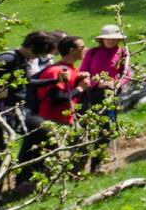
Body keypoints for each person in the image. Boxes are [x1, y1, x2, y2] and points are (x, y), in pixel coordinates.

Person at [0, 32, 54, 199]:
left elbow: (26, 82)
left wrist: (54, 81)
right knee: (0, 154)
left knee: (41, 132)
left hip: (13, 111)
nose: (38, 58)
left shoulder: (21, 61)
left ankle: (25, 179)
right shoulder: (8, 59)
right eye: (39, 53)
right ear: (32, 47)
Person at [14, 35, 90, 194]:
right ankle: (31, 189)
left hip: (58, 120)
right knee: (41, 158)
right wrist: (81, 87)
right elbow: (57, 99)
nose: (85, 50)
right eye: (82, 47)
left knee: (41, 157)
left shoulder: (69, 70)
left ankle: (37, 187)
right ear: (72, 50)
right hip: (50, 121)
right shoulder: (58, 71)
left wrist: (77, 82)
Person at [79, 24, 130, 172]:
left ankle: (97, 165)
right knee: (95, 128)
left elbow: (126, 73)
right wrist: (97, 83)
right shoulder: (92, 53)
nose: (111, 42)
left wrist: (116, 84)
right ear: (102, 39)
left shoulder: (123, 53)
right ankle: (87, 164)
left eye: (114, 39)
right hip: (93, 94)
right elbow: (83, 72)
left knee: (108, 127)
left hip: (113, 93)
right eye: (108, 39)